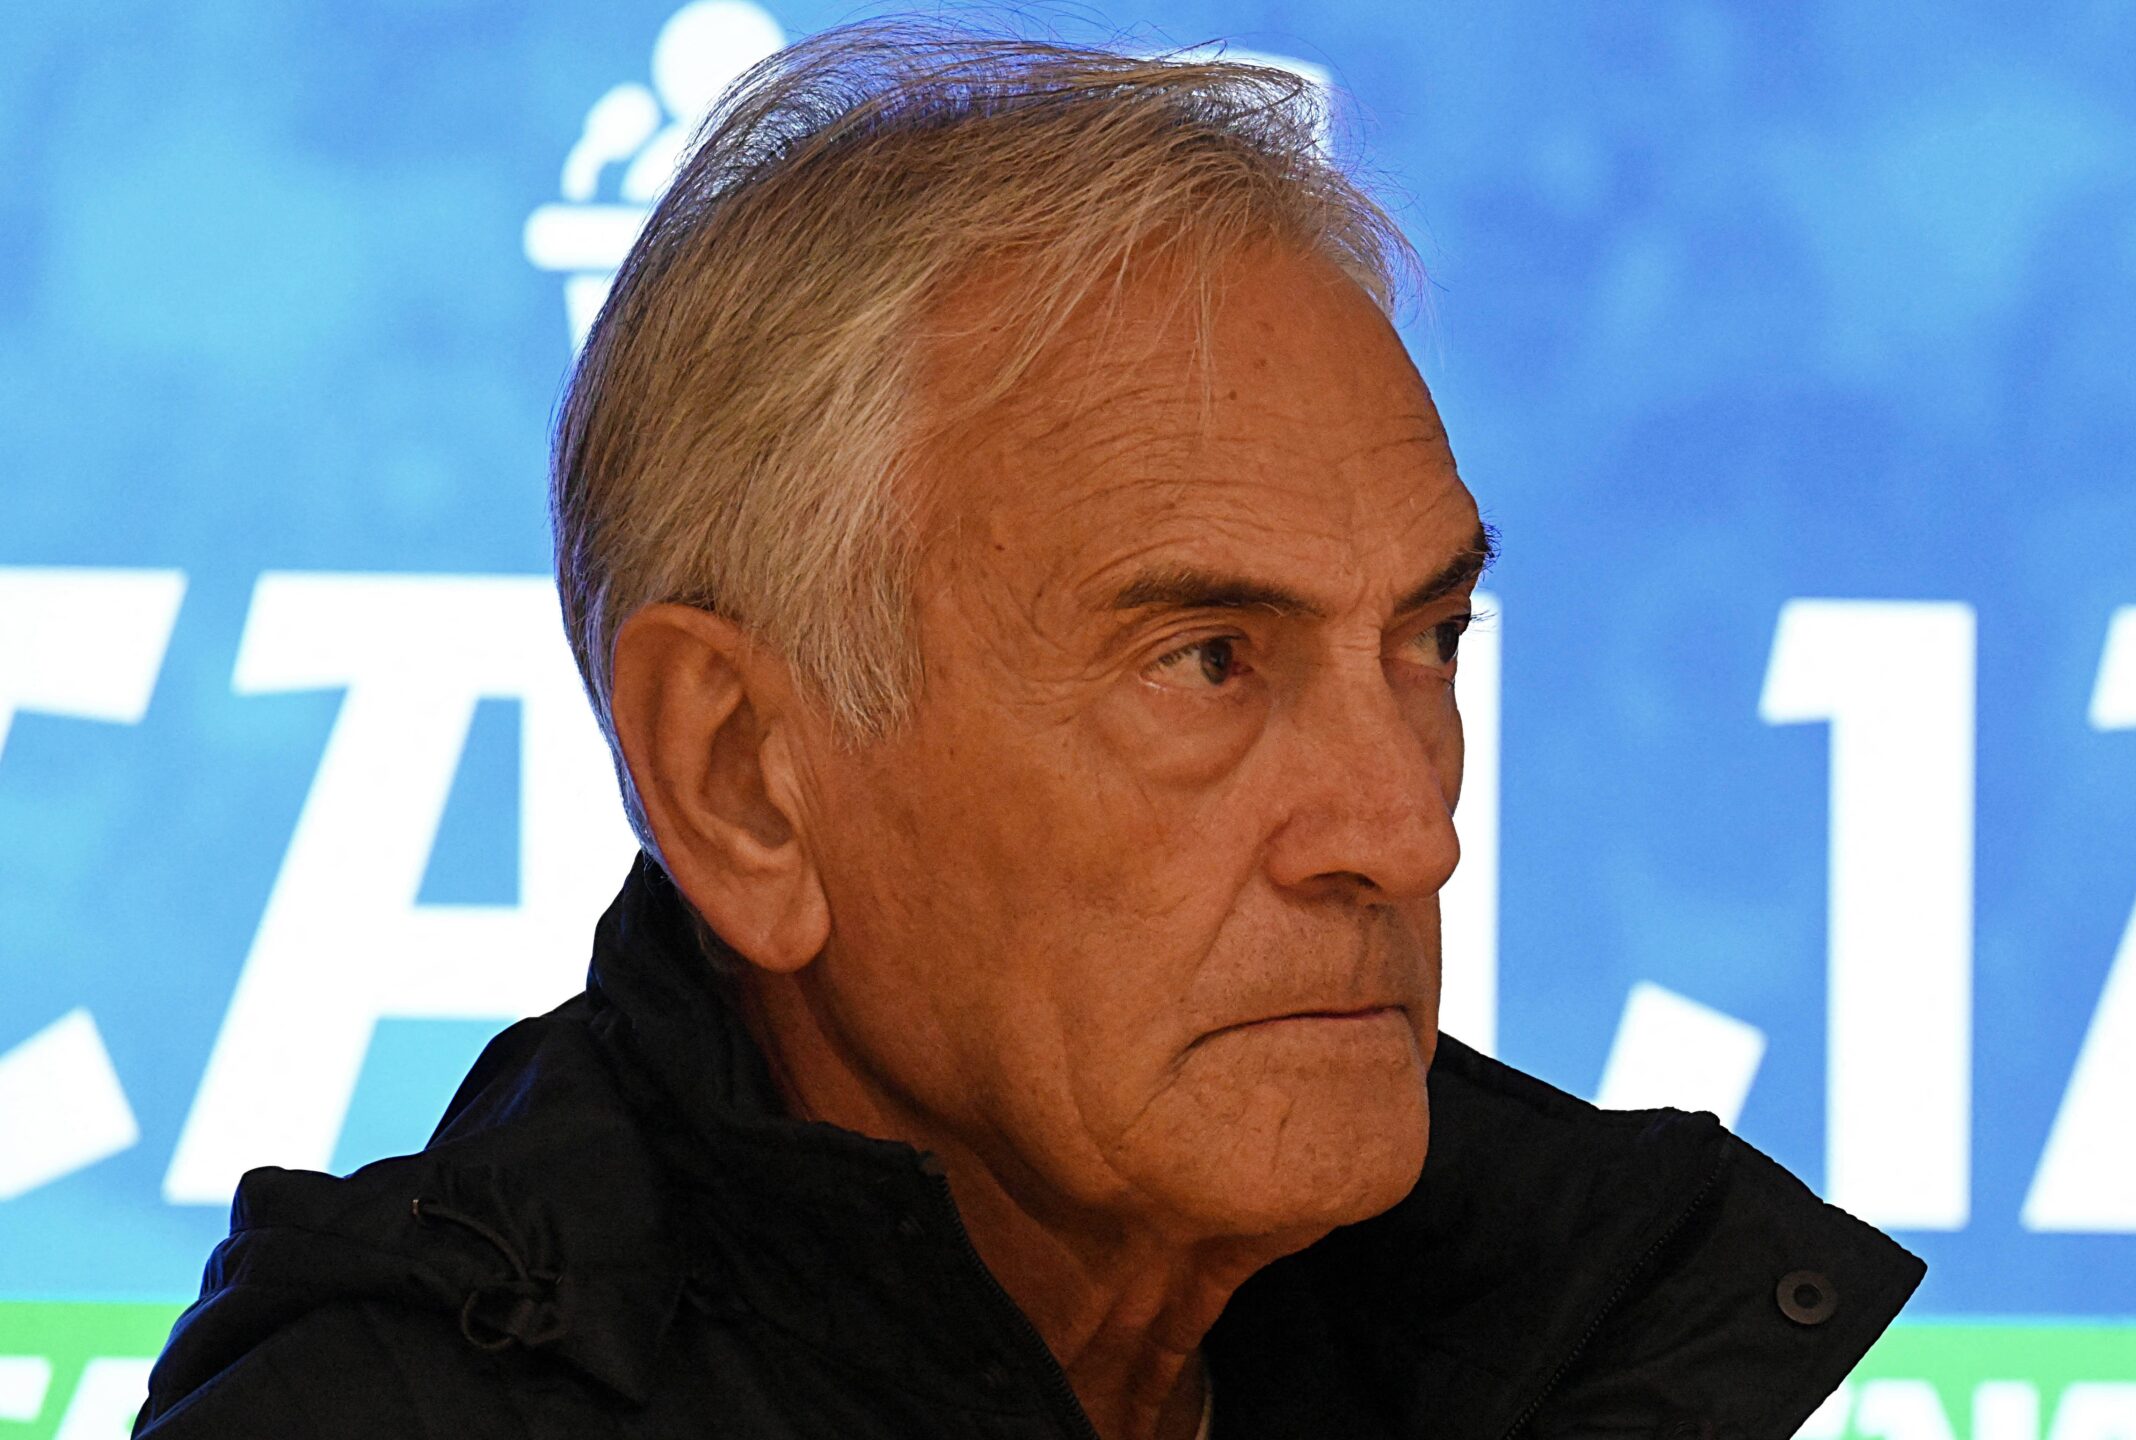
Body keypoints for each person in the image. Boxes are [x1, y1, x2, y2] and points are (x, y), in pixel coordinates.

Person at [136, 23, 1921, 1440]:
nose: (1406, 830)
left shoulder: (1588, 1339)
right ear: (743, 782)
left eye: (1428, 639)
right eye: (1208, 661)